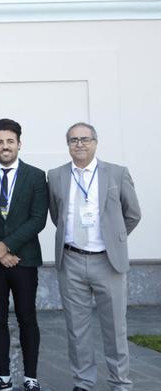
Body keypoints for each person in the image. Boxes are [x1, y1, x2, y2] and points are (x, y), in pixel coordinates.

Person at [48, 123, 141, 391]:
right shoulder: (56, 176)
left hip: (108, 262)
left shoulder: (116, 173)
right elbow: (58, 215)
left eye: (85, 139)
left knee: (115, 327)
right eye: (73, 140)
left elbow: (132, 214)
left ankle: (120, 382)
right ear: (68, 144)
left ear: (95, 142)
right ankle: (84, 382)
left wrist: (115, 238)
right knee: (77, 329)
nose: (79, 144)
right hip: (72, 261)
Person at [0, 118, 48, 391]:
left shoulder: (36, 176)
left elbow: (38, 218)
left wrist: (8, 246)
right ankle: (3, 377)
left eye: (10, 141)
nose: (5, 146)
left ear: (19, 143)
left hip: (24, 260)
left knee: (27, 317)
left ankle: (31, 378)